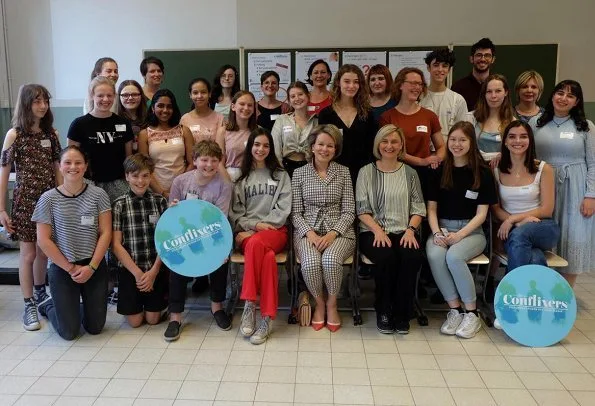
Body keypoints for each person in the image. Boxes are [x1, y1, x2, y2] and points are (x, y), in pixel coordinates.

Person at [425, 121, 497, 339]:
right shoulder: (439, 170)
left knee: (454, 257)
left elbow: (482, 215)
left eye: (462, 140)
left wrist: (460, 235)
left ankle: (472, 313)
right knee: (435, 254)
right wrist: (437, 233)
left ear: (471, 143)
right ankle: (455, 310)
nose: (457, 144)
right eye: (453, 139)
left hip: (471, 232)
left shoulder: (482, 173)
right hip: (442, 228)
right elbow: (431, 209)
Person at [33, 146, 112, 341]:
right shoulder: (48, 199)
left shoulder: (98, 195)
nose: (73, 167)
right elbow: (43, 240)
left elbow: (106, 232)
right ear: (59, 166)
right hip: (63, 267)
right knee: (69, 333)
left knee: (95, 328)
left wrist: (91, 267)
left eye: (78, 162)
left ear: (85, 167)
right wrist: (70, 268)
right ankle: (49, 305)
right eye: (67, 162)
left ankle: (76, 306)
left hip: (93, 265)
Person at [0, 84, 61, 331]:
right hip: (25, 202)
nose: (43, 105)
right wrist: (2, 210)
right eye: (37, 101)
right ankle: (28, 304)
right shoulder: (14, 134)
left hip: (49, 202)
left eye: (45, 101)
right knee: (28, 254)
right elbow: (4, 175)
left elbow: (58, 171)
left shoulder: (52, 134)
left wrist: (62, 199)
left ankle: (39, 293)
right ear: (26, 103)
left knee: (44, 252)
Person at [357, 124, 426, 334]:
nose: (389, 146)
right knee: (386, 258)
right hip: (373, 231)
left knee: (411, 257)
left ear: (401, 145)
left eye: (394, 141)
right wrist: (377, 230)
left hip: (404, 230)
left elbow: (418, 207)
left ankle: (402, 312)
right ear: (378, 144)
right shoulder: (366, 172)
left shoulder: (410, 173)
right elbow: (361, 209)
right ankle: (384, 309)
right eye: (385, 141)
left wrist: (410, 230)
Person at [165, 140, 233, 340]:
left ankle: (217, 307)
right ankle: (175, 317)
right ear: (194, 160)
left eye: (214, 160)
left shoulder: (224, 184)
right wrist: (173, 207)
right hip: (185, 234)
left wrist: (217, 249)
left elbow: (219, 219)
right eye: (204, 160)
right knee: (176, 261)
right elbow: (173, 215)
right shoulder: (181, 182)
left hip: (213, 234)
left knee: (221, 260)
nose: (209, 165)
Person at [292, 125, 356, 333]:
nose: (324, 149)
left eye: (330, 146)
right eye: (320, 144)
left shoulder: (344, 172)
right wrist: (310, 233)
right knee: (310, 263)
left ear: (335, 149)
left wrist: (332, 234)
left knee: (329, 260)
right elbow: (295, 213)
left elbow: (349, 211)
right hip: (307, 231)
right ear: (312, 147)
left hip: (339, 231)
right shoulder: (299, 173)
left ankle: (332, 303)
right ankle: (318, 303)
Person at [230, 128, 291, 345]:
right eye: (257, 145)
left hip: (275, 231)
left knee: (256, 243)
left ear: (271, 149)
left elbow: (284, 210)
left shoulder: (281, 175)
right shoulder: (240, 177)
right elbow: (235, 213)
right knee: (266, 258)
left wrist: (262, 227)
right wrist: (255, 225)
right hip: (248, 232)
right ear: (250, 147)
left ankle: (249, 304)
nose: (261, 149)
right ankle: (266, 317)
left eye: (266, 145)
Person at [531, 80, 595, 286]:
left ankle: (565, 293)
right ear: (552, 96)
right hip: (544, 185)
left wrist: (591, 195)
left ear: (576, 102)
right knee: (547, 235)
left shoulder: (586, 127)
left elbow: (593, 163)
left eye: (570, 95)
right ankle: (543, 288)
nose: (563, 98)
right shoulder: (537, 123)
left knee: (574, 235)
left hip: (576, 187)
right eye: (560, 93)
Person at [492, 119, 559, 268]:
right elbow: (495, 209)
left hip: (542, 226)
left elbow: (547, 210)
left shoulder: (544, 168)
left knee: (519, 235)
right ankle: (536, 291)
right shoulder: (496, 170)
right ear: (505, 142)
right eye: (512, 136)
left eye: (523, 136)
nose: (518, 140)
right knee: (534, 258)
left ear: (530, 140)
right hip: (510, 229)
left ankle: (513, 289)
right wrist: (517, 222)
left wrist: (513, 219)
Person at [111, 154, 168, 327]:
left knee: (152, 321)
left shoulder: (160, 202)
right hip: (130, 270)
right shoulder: (119, 204)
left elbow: (166, 240)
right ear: (127, 176)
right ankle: (136, 305)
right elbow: (116, 245)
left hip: (154, 267)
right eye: (135, 176)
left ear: (151, 176)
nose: (140, 181)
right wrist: (138, 274)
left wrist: (153, 272)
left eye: (145, 176)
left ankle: (156, 306)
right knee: (135, 323)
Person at [379, 67, 445, 196]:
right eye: (413, 83)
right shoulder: (387, 117)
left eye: (420, 84)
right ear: (400, 85)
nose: (417, 87)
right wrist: (421, 161)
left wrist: (436, 159)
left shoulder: (429, 115)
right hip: (397, 173)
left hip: (425, 175)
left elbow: (441, 146)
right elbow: (390, 149)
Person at [68, 76, 134, 202]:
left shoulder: (124, 123)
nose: (105, 99)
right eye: (100, 95)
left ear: (114, 96)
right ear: (92, 96)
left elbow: (129, 158)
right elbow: (71, 159)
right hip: (88, 183)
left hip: (118, 184)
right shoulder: (79, 124)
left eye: (109, 95)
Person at [318, 64, 377, 184]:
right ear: (338, 83)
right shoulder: (326, 114)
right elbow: (322, 147)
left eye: (356, 82)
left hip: (364, 174)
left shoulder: (367, 113)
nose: (351, 86)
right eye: (347, 81)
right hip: (334, 174)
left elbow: (372, 146)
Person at [138, 89, 194, 200]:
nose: (165, 110)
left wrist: (178, 187)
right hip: (155, 191)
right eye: (160, 106)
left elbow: (192, 163)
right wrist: (162, 192)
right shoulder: (144, 134)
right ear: (153, 108)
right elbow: (145, 168)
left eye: (169, 106)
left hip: (183, 188)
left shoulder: (184, 131)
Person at [419, 48, 468, 141]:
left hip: (450, 152)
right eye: (436, 65)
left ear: (449, 69)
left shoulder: (457, 100)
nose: (440, 70)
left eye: (444, 66)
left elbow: (463, 132)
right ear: (428, 68)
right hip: (423, 153)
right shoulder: (419, 98)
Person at [271, 81, 318, 177]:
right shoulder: (281, 120)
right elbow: (275, 148)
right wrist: (280, 172)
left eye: (300, 94)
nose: (297, 98)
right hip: (286, 168)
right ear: (289, 100)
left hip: (311, 168)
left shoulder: (316, 122)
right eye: (292, 96)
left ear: (308, 96)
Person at [465, 74, 515, 161]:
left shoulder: (513, 123)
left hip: (502, 172)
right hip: (474, 170)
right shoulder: (470, 118)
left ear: (506, 92)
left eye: (498, 91)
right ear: (484, 94)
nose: (493, 96)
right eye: (489, 91)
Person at [216, 90, 258, 182]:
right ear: (233, 106)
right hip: (230, 176)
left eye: (250, 105)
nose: (246, 108)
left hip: (254, 177)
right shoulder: (223, 131)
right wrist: (228, 184)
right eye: (242, 104)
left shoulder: (259, 132)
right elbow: (219, 162)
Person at [451, 38, 496, 111]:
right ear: (471, 59)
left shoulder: (498, 87)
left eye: (487, 55)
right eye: (479, 55)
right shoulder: (458, 87)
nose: (483, 59)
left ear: (493, 59)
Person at [180, 77, 225, 143]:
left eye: (203, 92)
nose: (199, 96)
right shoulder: (184, 119)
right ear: (190, 95)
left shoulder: (219, 118)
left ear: (209, 94)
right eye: (195, 93)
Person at [116, 80, 148, 153]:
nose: (130, 98)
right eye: (125, 95)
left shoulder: (150, 119)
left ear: (141, 96)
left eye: (135, 94)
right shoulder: (113, 121)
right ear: (119, 97)